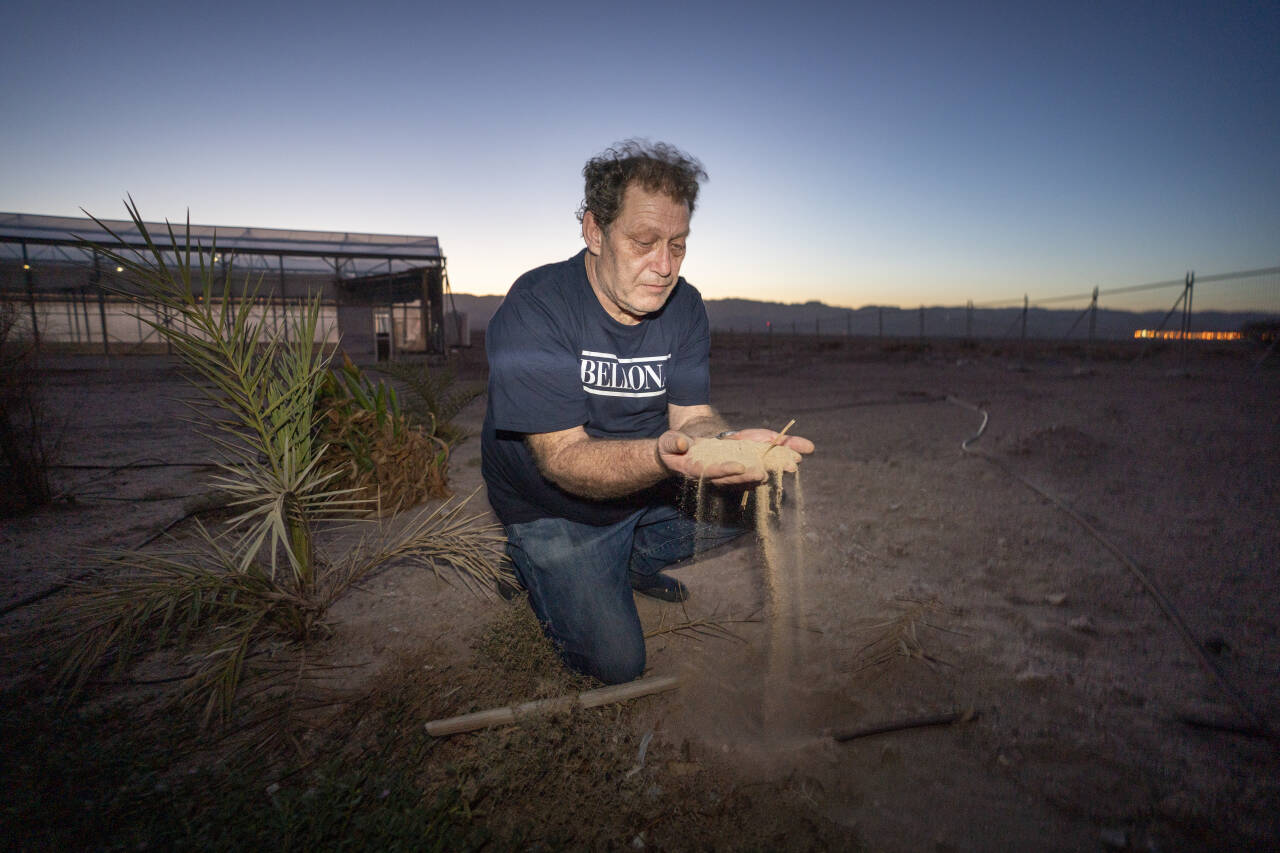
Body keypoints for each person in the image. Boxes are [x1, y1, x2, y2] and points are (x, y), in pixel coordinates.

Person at [481, 140, 814, 684]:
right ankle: (529, 560)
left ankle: (628, 564)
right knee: (617, 664)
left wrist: (725, 442)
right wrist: (667, 459)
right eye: (644, 242)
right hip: (556, 505)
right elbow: (563, 459)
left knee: (766, 495)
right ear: (594, 231)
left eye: (678, 246)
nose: (664, 266)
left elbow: (691, 419)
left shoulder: (684, 306)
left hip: (646, 482)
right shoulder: (536, 308)